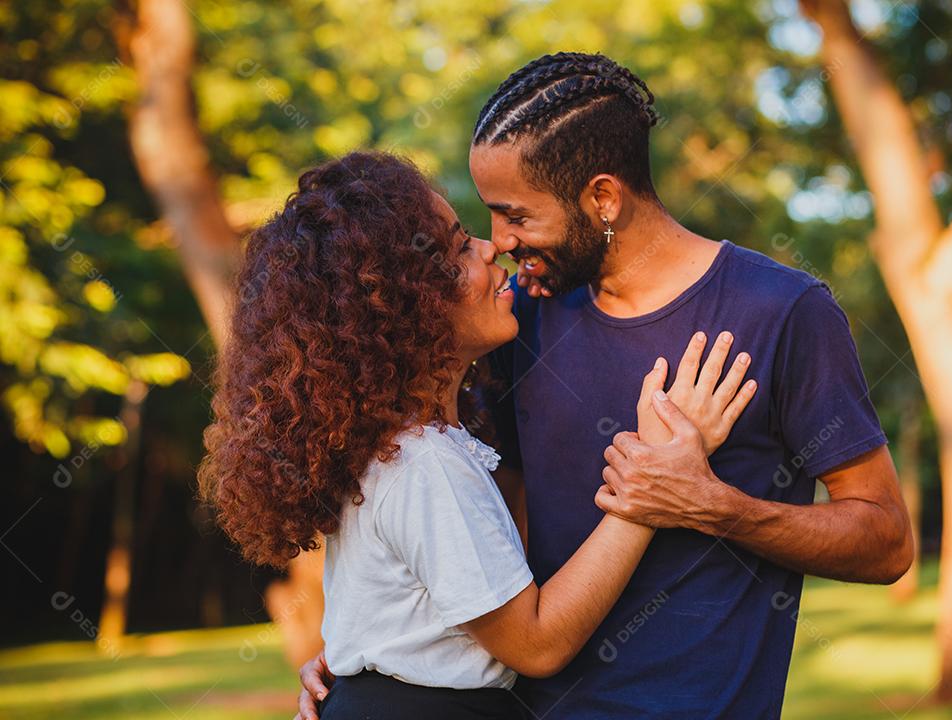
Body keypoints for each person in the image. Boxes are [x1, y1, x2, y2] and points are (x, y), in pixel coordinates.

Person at [298, 52, 914, 719]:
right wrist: (378, 658)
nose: (499, 242)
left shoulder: (782, 313)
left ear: (603, 199)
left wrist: (715, 505)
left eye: (517, 216)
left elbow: (885, 542)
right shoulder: (518, 321)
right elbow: (473, 527)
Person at [198, 151, 757, 719]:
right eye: (459, 249)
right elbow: (536, 644)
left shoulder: (399, 450)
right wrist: (647, 487)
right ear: (406, 307)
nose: (493, 248)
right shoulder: (423, 465)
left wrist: (352, 669)